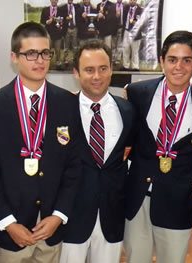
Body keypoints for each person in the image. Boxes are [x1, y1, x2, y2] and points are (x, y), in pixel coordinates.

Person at [0, 21, 83, 263]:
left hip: (50, 230)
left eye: (45, 53)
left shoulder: (67, 103)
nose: (40, 60)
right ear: (14, 57)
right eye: (31, 54)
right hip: (11, 233)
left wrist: (59, 215)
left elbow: (74, 166)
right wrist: (8, 222)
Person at [123, 30, 192, 263]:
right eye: (172, 59)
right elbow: (125, 141)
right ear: (162, 61)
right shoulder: (137, 94)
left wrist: (190, 166)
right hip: (137, 200)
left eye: (187, 60)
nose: (179, 67)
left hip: (177, 202)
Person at [59, 39, 134, 263]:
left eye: (103, 68)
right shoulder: (62, 110)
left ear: (111, 69)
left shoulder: (127, 111)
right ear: (76, 72)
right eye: (89, 70)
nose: (97, 76)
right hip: (71, 216)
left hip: (112, 215)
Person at [41, 0, 66, 69]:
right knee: (47, 50)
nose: (54, 1)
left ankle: (58, 63)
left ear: (57, 1)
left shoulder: (61, 10)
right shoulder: (45, 10)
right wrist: (47, 21)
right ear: (50, 0)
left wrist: (61, 25)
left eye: (56, 0)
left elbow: (64, 22)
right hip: (48, 34)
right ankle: (46, 64)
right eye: (53, 0)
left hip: (58, 34)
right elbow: (41, 21)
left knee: (58, 51)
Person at [121, 0, 143, 70]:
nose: (132, 1)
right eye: (130, 0)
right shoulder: (125, 8)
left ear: (136, 1)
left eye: (133, 0)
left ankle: (135, 67)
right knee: (125, 49)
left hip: (135, 32)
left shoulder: (140, 10)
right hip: (127, 31)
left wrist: (135, 22)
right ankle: (125, 66)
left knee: (135, 51)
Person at [59, 0, 81, 68]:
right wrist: (66, 19)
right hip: (67, 28)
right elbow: (60, 19)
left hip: (75, 28)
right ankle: (66, 60)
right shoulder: (63, 8)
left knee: (75, 45)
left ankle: (75, 60)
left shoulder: (77, 6)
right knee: (66, 45)